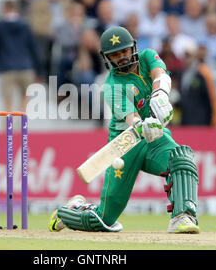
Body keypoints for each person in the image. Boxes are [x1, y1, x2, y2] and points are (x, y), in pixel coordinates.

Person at [48, 26, 200, 234]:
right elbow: (132, 119)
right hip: (126, 143)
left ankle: (183, 217)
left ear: (133, 48)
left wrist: (161, 95)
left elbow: (160, 75)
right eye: (114, 55)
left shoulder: (147, 56)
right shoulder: (112, 85)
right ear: (106, 58)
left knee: (181, 158)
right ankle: (71, 210)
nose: (121, 58)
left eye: (124, 51)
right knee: (103, 219)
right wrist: (144, 124)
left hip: (156, 138)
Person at [0, 0, 41, 111]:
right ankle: (22, 127)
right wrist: (39, 70)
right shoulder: (26, 26)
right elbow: (33, 48)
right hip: (26, 67)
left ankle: (8, 127)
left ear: (4, 9)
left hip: (6, 69)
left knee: (7, 104)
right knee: (24, 103)